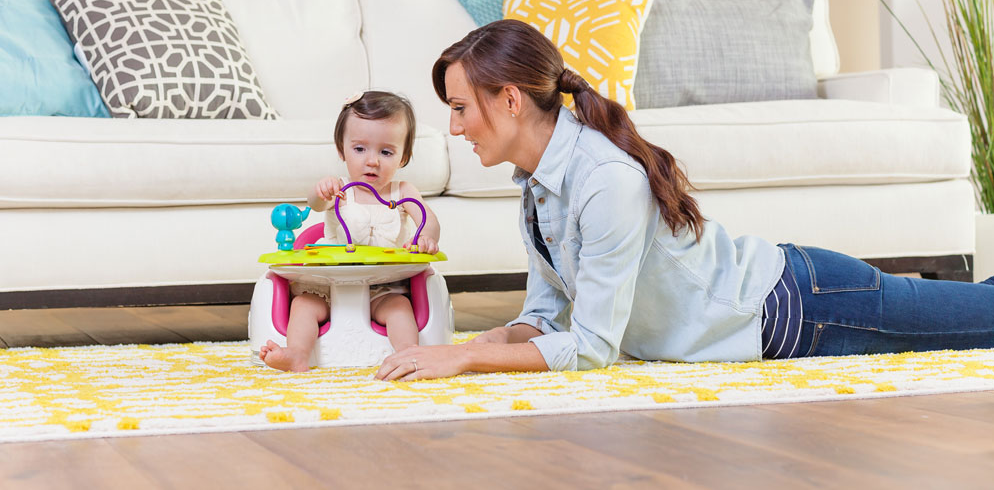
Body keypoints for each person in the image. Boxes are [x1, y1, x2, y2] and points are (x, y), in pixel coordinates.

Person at [375, 19, 994, 381]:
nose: (454, 128)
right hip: (790, 296)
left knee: (981, 321)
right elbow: (547, 314)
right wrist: (483, 343)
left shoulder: (604, 180)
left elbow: (592, 348)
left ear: (510, 100)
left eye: (460, 109)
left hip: (799, 307)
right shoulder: (537, 187)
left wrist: (464, 361)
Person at [261, 90, 441, 372]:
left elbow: (428, 220)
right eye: (360, 149)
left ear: (403, 156)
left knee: (399, 308)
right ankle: (297, 354)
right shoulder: (339, 188)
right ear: (341, 148)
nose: (372, 161)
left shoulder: (403, 191)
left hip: (382, 285)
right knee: (304, 305)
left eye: (386, 151)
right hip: (328, 286)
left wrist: (428, 236)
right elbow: (315, 203)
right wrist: (321, 192)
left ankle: (409, 354)